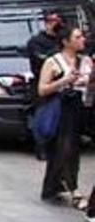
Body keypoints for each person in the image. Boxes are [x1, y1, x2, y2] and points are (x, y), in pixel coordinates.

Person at [38, 27, 90, 205]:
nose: (83, 39)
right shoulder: (53, 62)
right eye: (78, 36)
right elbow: (42, 89)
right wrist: (64, 81)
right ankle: (67, 188)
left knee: (74, 148)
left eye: (82, 36)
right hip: (61, 109)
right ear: (66, 41)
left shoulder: (85, 61)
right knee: (63, 148)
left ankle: (63, 185)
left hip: (81, 108)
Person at [28, 13, 64, 160]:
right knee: (44, 116)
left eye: (58, 22)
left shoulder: (64, 40)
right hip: (44, 83)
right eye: (52, 21)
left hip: (64, 84)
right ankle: (41, 147)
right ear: (46, 23)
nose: (55, 25)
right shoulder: (36, 42)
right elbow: (40, 60)